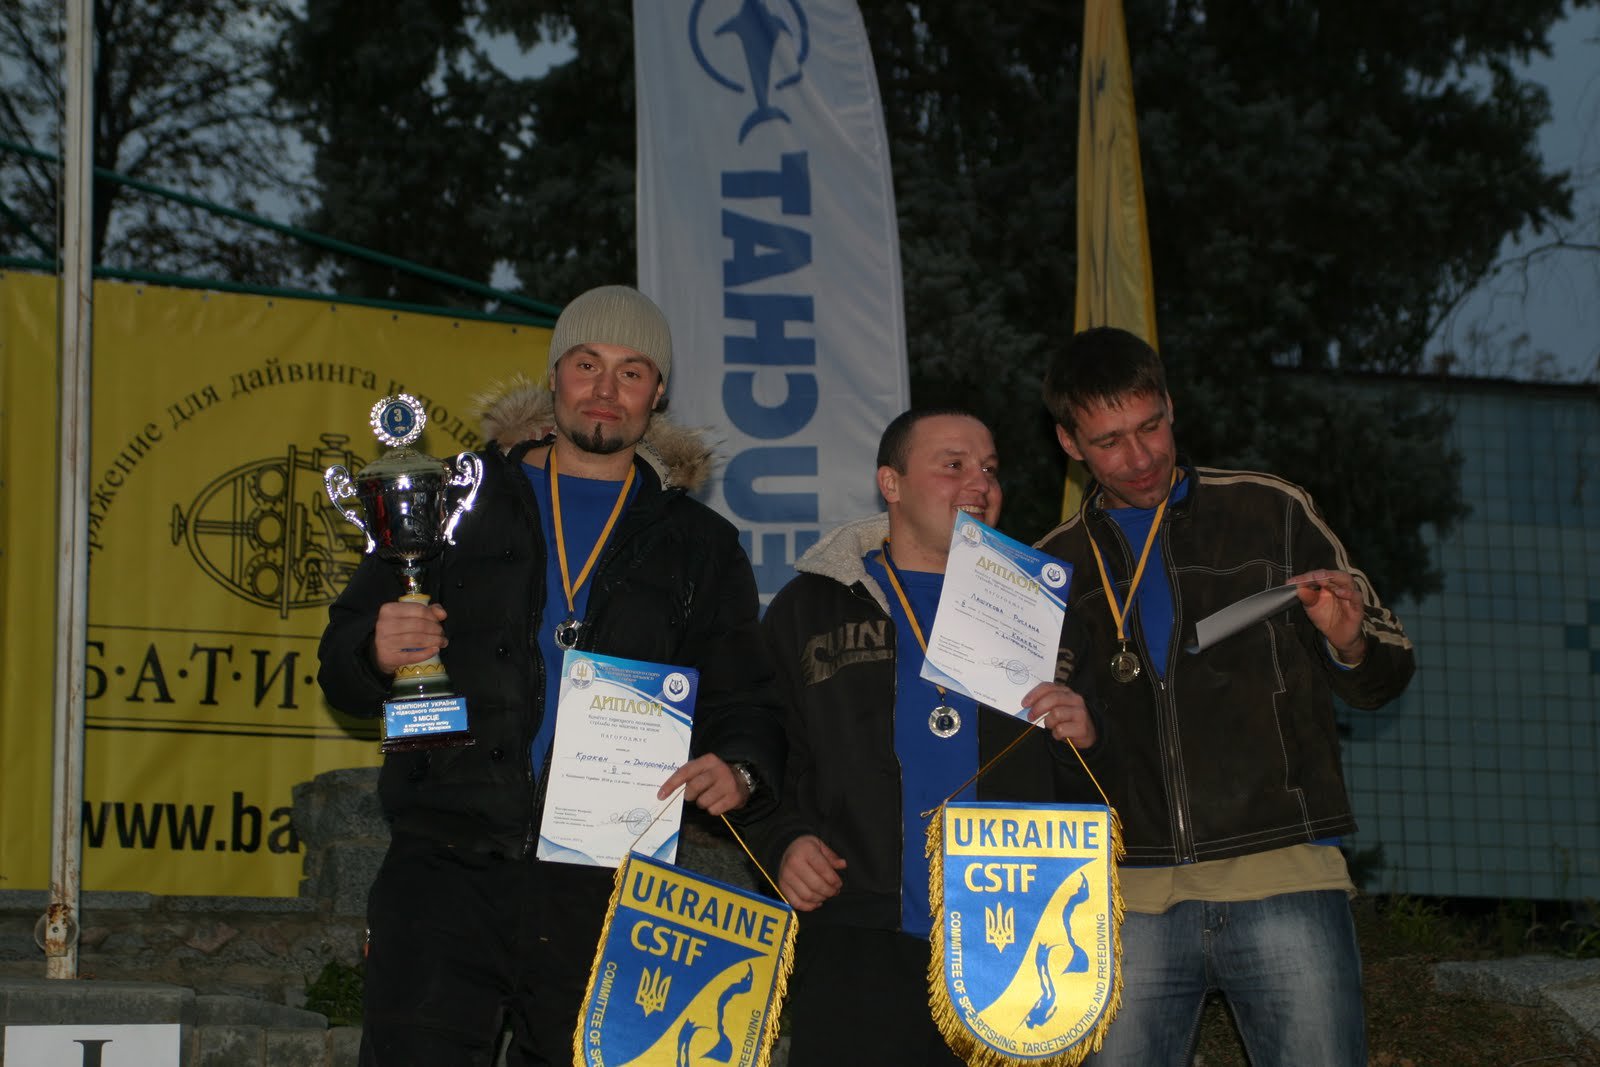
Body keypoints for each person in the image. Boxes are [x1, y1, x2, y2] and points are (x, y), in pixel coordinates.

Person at [317, 284, 785, 1066]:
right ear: (555, 374)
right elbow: (341, 667)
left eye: (632, 372)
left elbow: (747, 697)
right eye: (587, 363)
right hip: (445, 867)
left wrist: (739, 767)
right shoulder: (452, 497)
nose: (605, 389)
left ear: (657, 393)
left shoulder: (700, 543)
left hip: (606, 885)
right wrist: (375, 651)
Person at [1035, 326, 1415, 1067]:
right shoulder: (1052, 566)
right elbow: (1032, 754)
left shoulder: (1270, 510)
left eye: (1151, 426)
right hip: (1123, 893)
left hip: (1284, 871)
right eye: (1109, 441)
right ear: (1069, 443)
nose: (1141, 457)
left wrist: (1350, 641)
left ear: (1171, 406)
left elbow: (1387, 672)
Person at [743, 407, 1106, 1067]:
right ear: (892, 483)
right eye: (954, 465)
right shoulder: (811, 607)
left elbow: (1098, 790)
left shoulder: (1043, 611)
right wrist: (783, 841)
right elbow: (760, 749)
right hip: (857, 936)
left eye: (990, 469)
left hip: (1013, 938)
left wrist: (1084, 741)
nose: (981, 484)